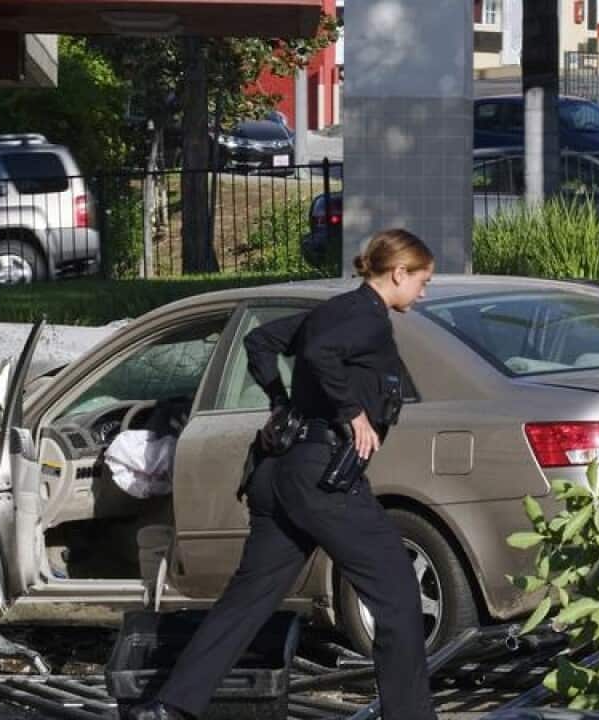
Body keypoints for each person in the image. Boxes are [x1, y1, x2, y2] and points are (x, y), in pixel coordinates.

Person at [131, 229, 438, 720]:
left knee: (248, 601)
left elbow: (260, 342)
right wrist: (353, 413)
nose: (424, 291)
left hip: (279, 475)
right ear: (398, 273)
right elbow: (318, 356)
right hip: (324, 479)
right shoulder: (368, 319)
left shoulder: (331, 312)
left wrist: (281, 401)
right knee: (399, 595)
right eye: (422, 280)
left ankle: (170, 707)